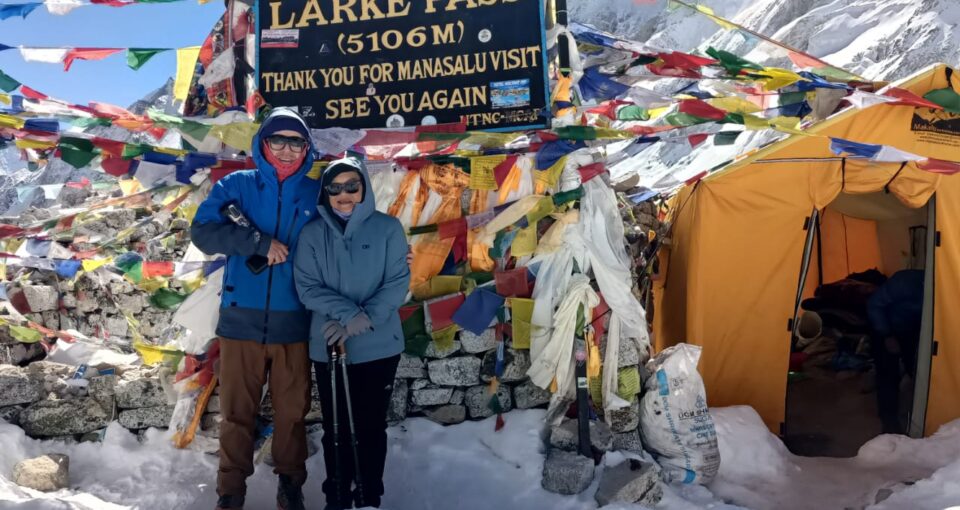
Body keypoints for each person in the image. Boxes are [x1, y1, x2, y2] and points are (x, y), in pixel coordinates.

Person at [191, 107, 320, 510]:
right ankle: (230, 493)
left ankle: (290, 486)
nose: (286, 149)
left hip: (294, 323)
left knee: (292, 413)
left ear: (306, 148)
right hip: (240, 320)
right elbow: (203, 232)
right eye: (277, 140)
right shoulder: (236, 185)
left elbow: (347, 238)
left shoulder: (317, 193)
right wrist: (257, 243)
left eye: (295, 141)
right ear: (263, 143)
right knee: (236, 414)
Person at [293, 157, 410, 509]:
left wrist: (362, 319)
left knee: (371, 426)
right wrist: (346, 316)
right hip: (330, 343)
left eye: (351, 186)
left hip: (378, 345)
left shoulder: (388, 228)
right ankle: (339, 496)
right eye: (335, 188)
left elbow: (396, 283)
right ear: (325, 192)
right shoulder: (313, 233)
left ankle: (370, 494)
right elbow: (307, 286)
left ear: (364, 188)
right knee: (337, 430)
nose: (344, 194)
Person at [866, 269, 924, 434]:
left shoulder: (945, 289)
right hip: (885, 327)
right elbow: (874, 305)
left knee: (918, 371)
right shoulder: (905, 281)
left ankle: (919, 417)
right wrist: (887, 335)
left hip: (913, 330)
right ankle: (889, 423)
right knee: (887, 375)